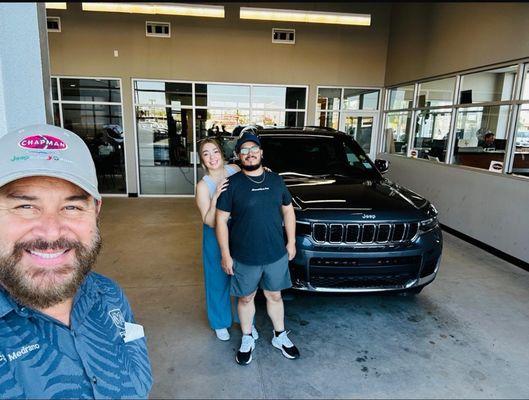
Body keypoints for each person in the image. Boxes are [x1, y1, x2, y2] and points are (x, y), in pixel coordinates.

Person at [0, 124, 152, 398]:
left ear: (96, 211)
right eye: (25, 206)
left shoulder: (110, 294)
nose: (51, 231)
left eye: (71, 207)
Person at [216, 132, 299, 365]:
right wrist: (225, 254)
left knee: (275, 295)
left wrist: (291, 241)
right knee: (246, 298)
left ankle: (279, 336)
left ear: (261, 153)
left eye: (254, 150)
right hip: (244, 256)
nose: (250, 154)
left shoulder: (276, 180)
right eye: (244, 150)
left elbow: (288, 211)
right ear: (238, 155)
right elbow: (220, 220)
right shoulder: (231, 185)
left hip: (274, 254)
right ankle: (246, 337)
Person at [195, 138, 258, 342]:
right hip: (214, 235)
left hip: (239, 230)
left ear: (222, 153)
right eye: (206, 154)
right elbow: (209, 221)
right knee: (218, 279)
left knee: (244, 278)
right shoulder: (203, 186)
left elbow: (254, 175)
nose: (212, 157)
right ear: (202, 160)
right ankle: (220, 322)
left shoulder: (234, 170)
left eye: (215, 151)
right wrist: (215, 199)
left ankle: (246, 322)